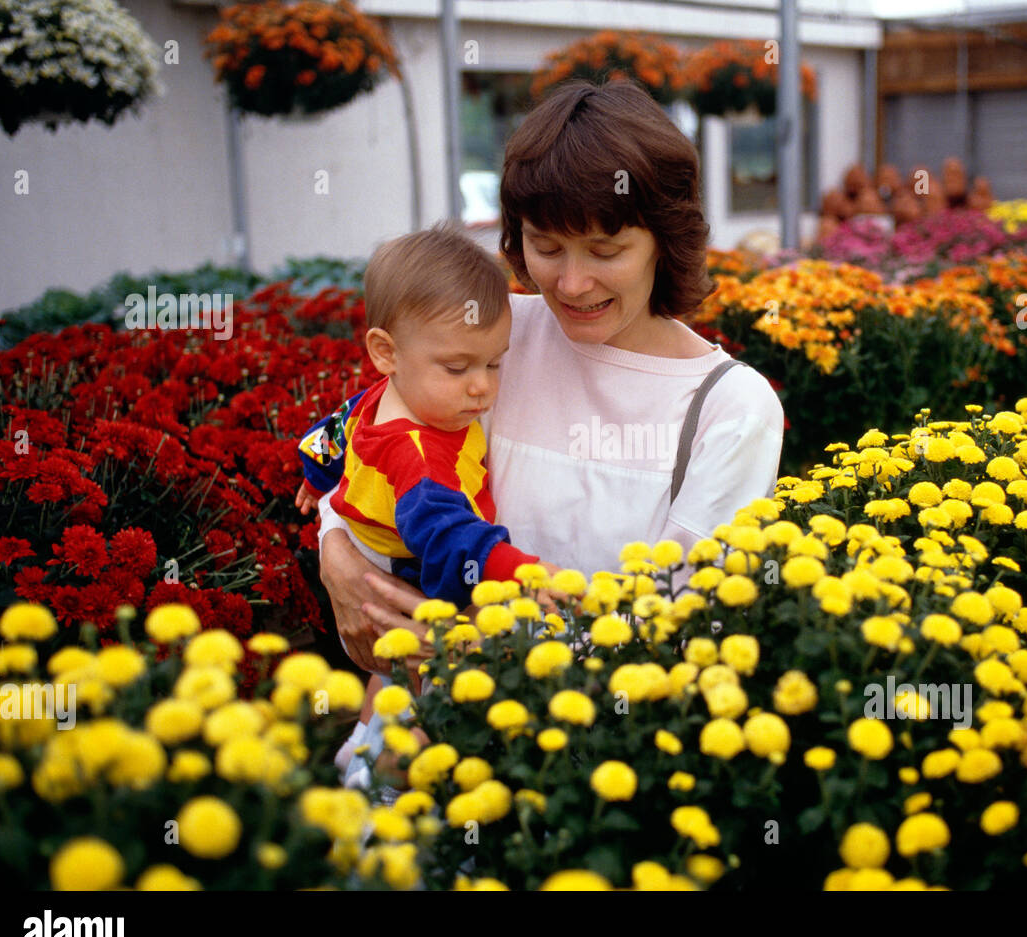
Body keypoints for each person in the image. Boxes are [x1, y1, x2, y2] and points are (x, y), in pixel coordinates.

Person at [313, 78, 785, 780]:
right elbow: (383, 448)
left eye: (605, 248)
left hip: (580, 770)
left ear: (664, 239)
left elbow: (681, 631)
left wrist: (467, 651)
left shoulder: (727, 407)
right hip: (412, 749)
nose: (569, 283)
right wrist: (336, 553)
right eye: (545, 244)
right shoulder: (494, 334)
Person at [295, 226, 558, 784]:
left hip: (377, 545)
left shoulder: (384, 394)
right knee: (429, 674)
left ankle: (360, 746)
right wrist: (523, 572)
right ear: (385, 351)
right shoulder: (417, 451)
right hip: (407, 562)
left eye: (494, 364)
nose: (481, 388)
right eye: (458, 368)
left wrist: (315, 478)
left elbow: (334, 432)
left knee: (390, 673)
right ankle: (382, 781)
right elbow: (446, 532)